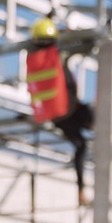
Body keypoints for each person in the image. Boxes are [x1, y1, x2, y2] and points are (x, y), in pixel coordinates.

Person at [26, 16, 94, 205]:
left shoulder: (31, 57)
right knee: (99, 120)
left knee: (81, 145)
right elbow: (87, 45)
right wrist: (74, 35)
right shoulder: (58, 53)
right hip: (70, 108)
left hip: (55, 114)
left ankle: (81, 190)